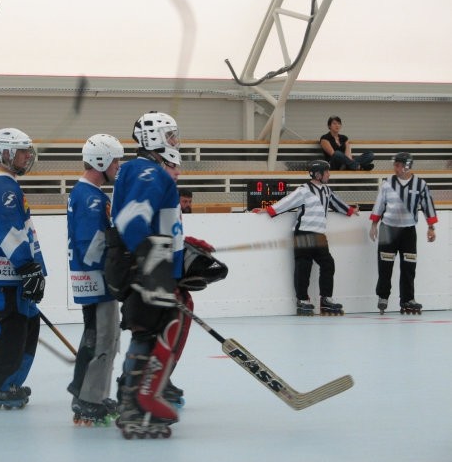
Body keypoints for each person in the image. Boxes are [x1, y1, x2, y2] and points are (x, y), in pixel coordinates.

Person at [106, 111, 227, 439]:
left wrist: (183, 246)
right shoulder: (148, 172)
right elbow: (132, 221)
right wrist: (153, 268)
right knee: (149, 331)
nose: (175, 142)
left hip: (144, 264)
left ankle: (135, 395)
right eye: (170, 135)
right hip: (142, 267)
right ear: (154, 138)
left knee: (153, 330)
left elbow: (153, 223)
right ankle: (135, 404)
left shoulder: (142, 170)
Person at [0, 128, 46, 409]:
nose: (28, 156)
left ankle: (10, 380)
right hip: (9, 272)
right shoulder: (5, 187)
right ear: (5, 153)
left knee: (26, 325)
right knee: (10, 326)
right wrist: (27, 266)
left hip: (10, 270)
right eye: (22, 151)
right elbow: (9, 230)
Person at [66, 134, 124, 426]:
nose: (119, 166)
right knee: (104, 339)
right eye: (116, 160)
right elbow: (91, 245)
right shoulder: (91, 197)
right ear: (101, 161)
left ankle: (89, 393)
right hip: (98, 280)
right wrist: (120, 255)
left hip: (94, 279)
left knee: (97, 337)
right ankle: (90, 400)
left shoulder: (87, 193)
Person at [255, 160, 359, 316]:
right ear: (318, 174)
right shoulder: (304, 190)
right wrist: (268, 210)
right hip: (303, 232)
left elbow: (337, 204)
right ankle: (302, 300)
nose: (329, 174)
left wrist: (350, 210)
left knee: (328, 264)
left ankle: (326, 300)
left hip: (319, 234)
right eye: (327, 172)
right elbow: (286, 202)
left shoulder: (327, 191)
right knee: (304, 266)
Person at [369, 152, 438, 314]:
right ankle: (383, 296)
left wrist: (431, 227)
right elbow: (379, 205)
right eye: (395, 164)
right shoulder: (387, 183)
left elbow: (428, 205)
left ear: (407, 166)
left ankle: (407, 299)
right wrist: (374, 225)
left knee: (409, 267)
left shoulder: (420, 184)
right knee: (385, 266)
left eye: (399, 165)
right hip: (388, 229)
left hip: (408, 231)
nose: (396, 168)